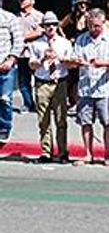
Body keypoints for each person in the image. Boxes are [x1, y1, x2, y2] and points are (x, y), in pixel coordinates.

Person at [70, 9, 109, 165]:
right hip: (85, 87)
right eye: (91, 26)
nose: (94, 29)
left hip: (105, 88)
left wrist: (103, 63)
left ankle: (107, 155)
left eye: (97, 26)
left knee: (107, 122)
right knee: (86, 122)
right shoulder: (81, 39)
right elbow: (74, 59)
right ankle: (88, 154)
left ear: (103, 23)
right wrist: (76, 61)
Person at [28, 12, 73, 163]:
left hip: (59, 82)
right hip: (42, 83)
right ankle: (46, 152)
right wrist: (42, 59)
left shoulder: (64, 43)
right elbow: (31, 65)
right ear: (43, 27)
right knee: (44, 120)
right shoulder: (36, 44)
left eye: (53, 24)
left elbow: (72, 64)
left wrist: (60, 59)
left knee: (61, 119)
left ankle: (62, 152)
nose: (51, 27)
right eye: (47, 25)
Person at [0, 3, 26, 141]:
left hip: (5, 66)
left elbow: (18, 41)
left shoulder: (9, 18)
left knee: (5, 99)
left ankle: (4, 127)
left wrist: (11, 59)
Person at [17, 0, 43, 113]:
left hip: (35, 53)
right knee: (23, 81)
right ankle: (28, 103)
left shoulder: (38, 16)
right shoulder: (17, 17)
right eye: (21, 0)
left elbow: (40, 32)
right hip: (21, 53)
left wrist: (23, 37)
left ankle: (41, 103)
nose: (21, 2)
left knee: (39, 79)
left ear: (31, 1)